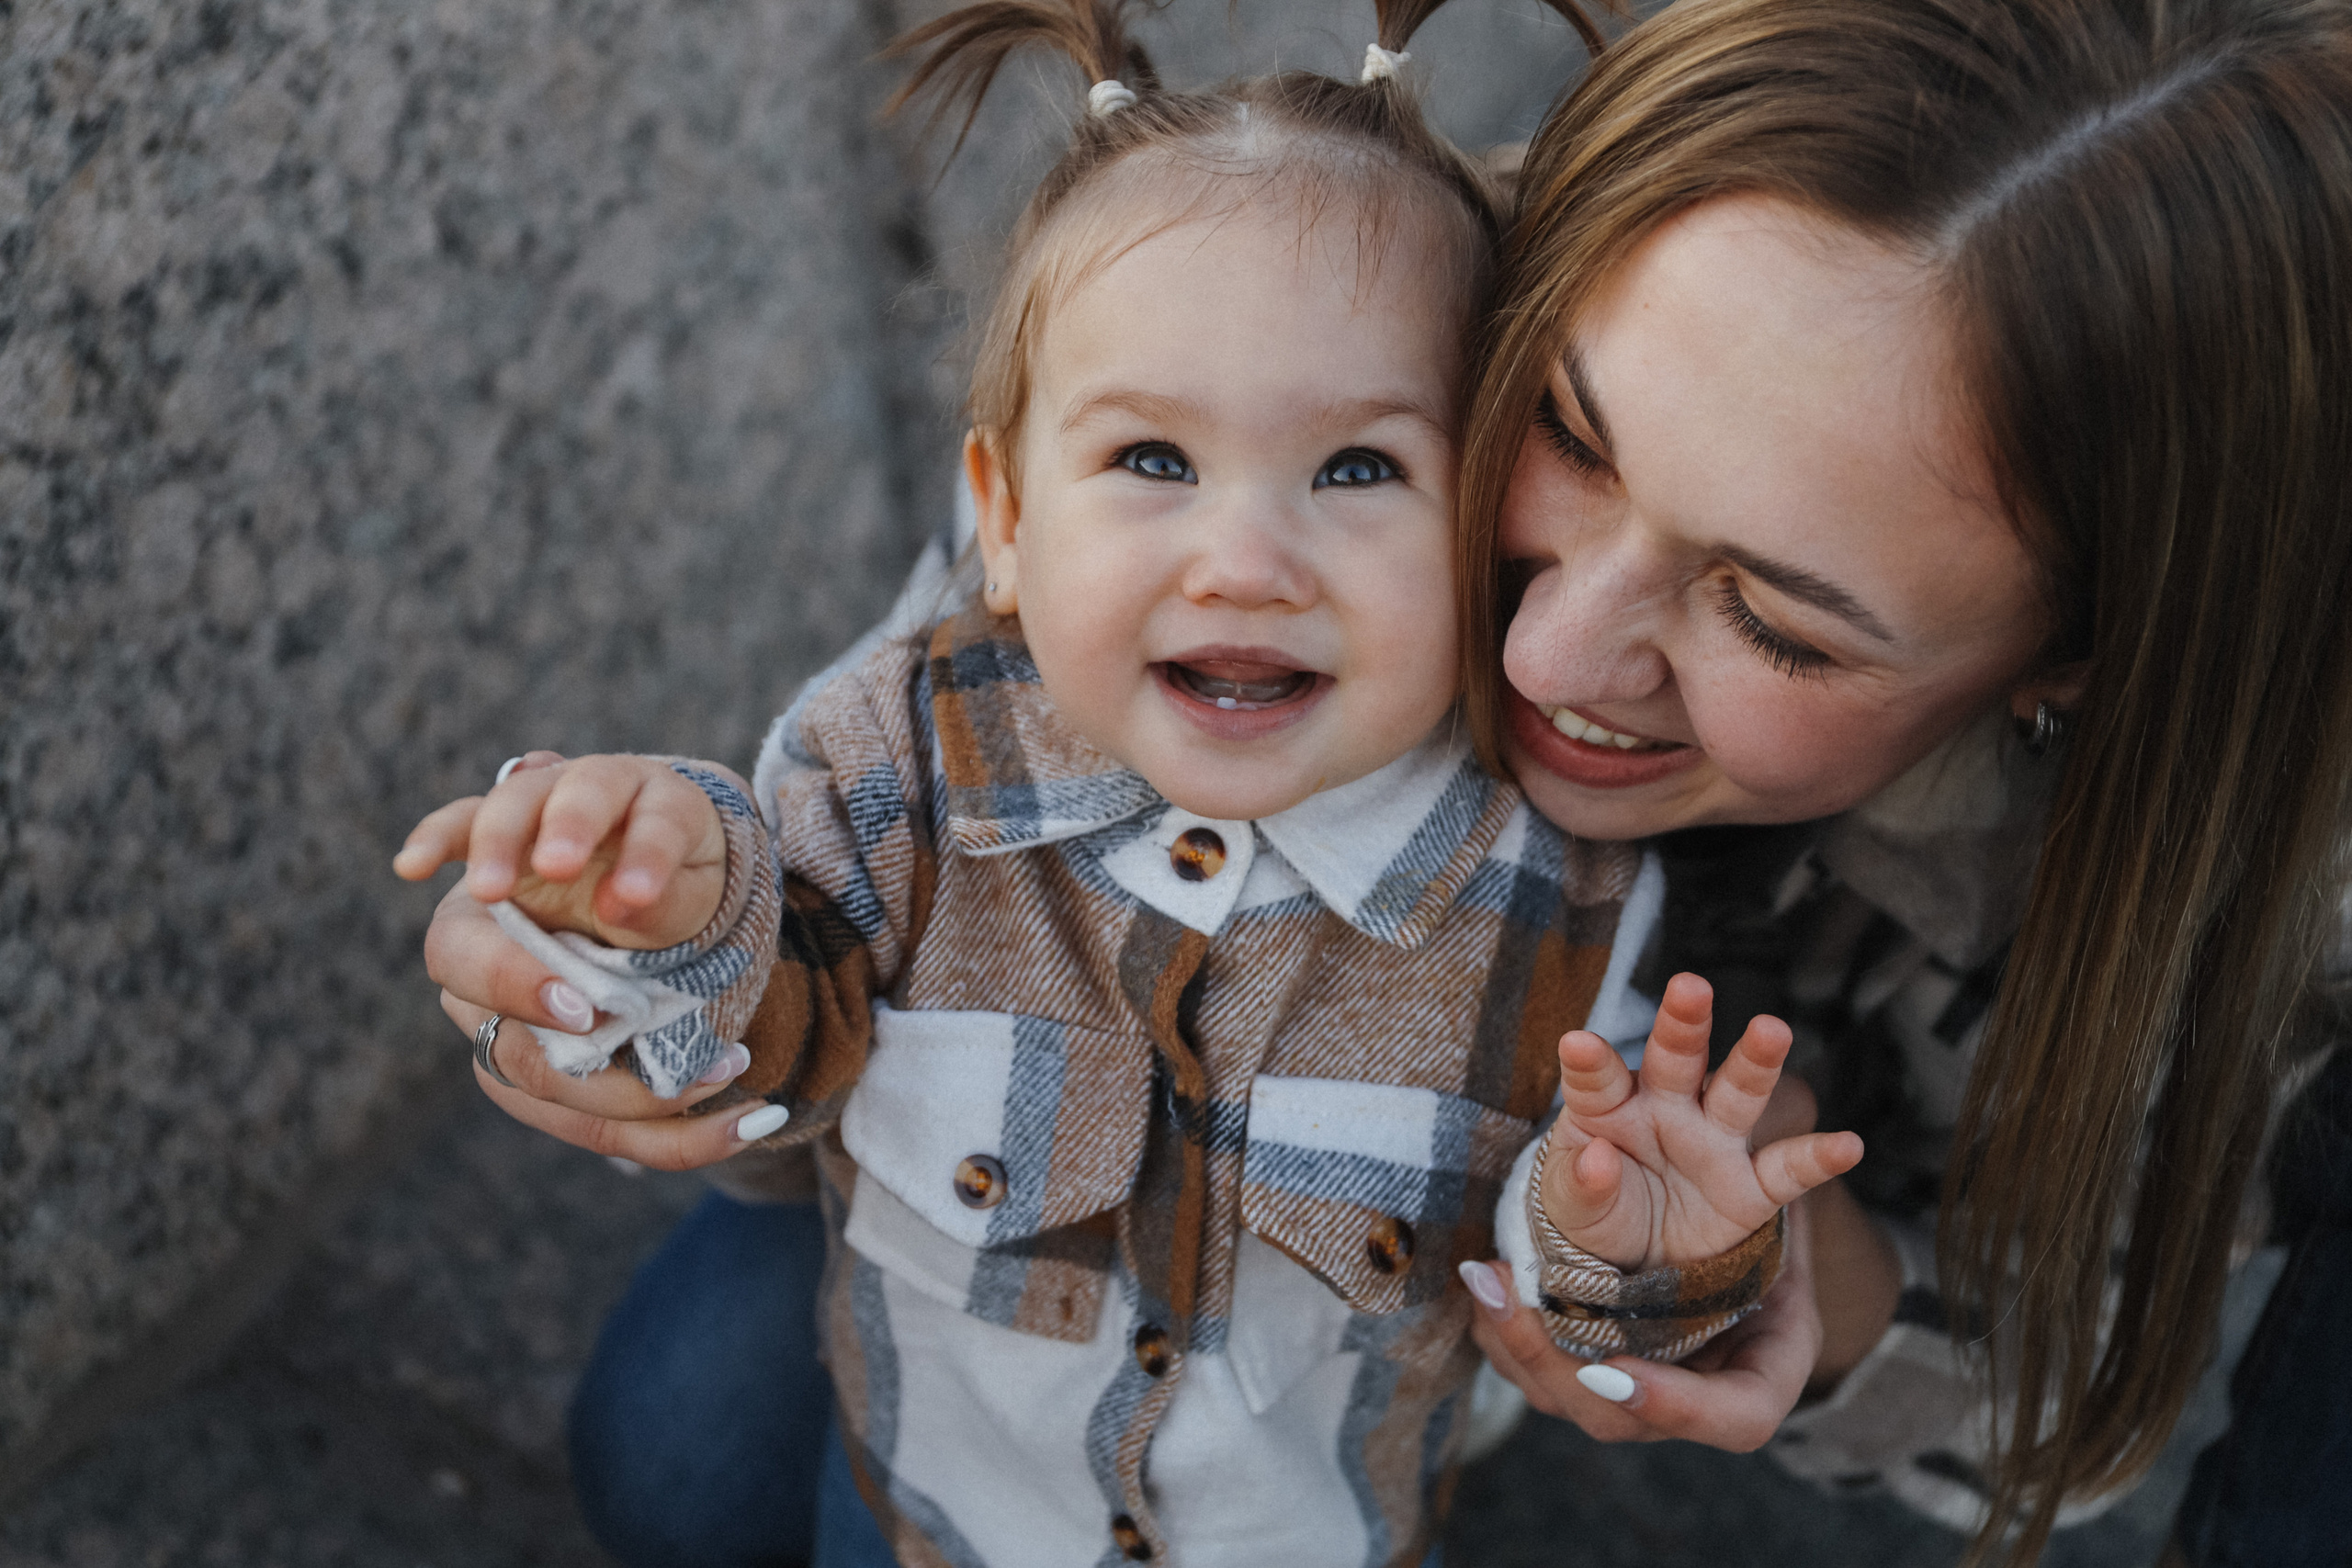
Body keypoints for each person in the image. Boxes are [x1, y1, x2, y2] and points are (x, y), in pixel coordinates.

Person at [414, 0, 2352, 1562]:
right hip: (989, 1233)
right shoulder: (1281, 292)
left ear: (2066, 664)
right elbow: (891, 826)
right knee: (674, 1459)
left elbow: (2055, 1389)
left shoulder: (2213, 871)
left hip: (1374, 1355)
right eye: (1565, 432)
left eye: (1779, 616)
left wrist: (1769, 1276)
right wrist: (676, 973)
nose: (1540, 656)